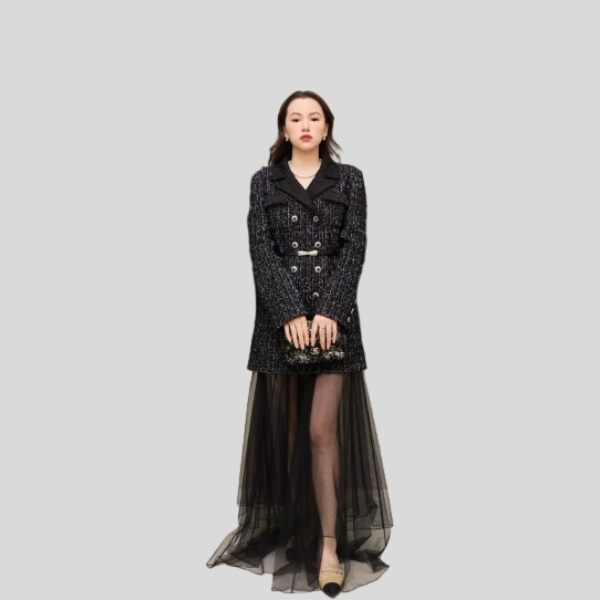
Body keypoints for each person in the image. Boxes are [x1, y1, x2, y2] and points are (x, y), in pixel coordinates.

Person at [206, 90, 393, 596]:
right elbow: (261, 251)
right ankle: (299, 532)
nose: (305, 124)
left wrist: (331, 309)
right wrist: (289, 312)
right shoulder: (263, 181)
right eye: (296, 117)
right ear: (284, 129)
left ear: (326, 127)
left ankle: (330, 547)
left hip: (335, 320)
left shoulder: (349, 179)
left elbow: (354, 245)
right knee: (289, 433)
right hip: (279, 320)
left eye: (314, 117)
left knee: (320, 430)